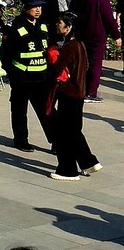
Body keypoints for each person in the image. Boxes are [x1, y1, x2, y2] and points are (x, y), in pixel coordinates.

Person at [47, 11, 102, 181]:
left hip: (69, 93)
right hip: (78, 93)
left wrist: (51, 55)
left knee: (65, 134)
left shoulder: (70, 46)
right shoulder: (80, 45)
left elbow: (58, 69)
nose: (57, 25)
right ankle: (88, 162)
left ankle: (68, 170)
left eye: (60, 23)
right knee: (74, 131)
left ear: (68, 27)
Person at [0, 0, 56, 151]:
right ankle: (21, 140)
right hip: (22, 78)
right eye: (33, 7)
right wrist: (12, 74)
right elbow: (6, 53)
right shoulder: (15, 26)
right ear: (25, 8)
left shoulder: (44, 25)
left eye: (39, 6)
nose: (37, 10)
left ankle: (55, 141)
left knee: (47, 111)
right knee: (19, 111)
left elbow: (50, 50)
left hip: (42, 78)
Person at [69, 0, 120, 103]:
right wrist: (117, 36)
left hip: (80, 33)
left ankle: (80, 87)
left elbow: (71, 14)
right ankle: (91, 93)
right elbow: (109, 19)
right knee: (95, 64)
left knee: (81, 62)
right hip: (97, 35)